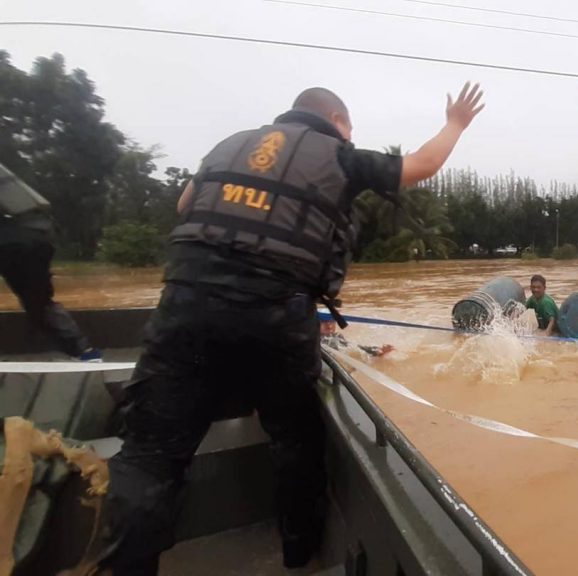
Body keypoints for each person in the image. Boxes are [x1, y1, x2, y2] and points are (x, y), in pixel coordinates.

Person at [100, 83, 485, 574]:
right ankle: (298, 552)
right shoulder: (340, 155)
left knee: (150, 453)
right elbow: (422, 165)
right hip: (277, 317)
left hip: (186, 307)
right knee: (294, 437)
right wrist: (456, 122)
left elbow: (185, 206)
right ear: (338, 122)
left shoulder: (228, 145)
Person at [0, 163, 102, 361]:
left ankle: (82, 351)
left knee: (37, 303)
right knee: (39, 301)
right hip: (39, 236)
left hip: (12, 241)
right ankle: (84, 351)